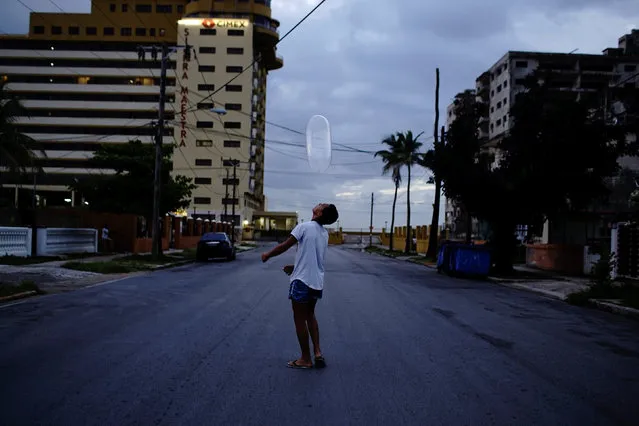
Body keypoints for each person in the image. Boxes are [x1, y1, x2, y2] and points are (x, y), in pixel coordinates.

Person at [261, 203, 339, 370]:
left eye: (321, 205)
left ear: (319, 212)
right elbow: (312, 259)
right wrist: (295, 267)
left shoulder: (303, 227)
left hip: (302, 281)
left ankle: (305, 358)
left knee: (299, 318)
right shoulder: (324, 234)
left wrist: (268, 254)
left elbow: (285, 246)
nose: (318, 204)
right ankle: (317, 353)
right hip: (316, 282)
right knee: (310, 315)